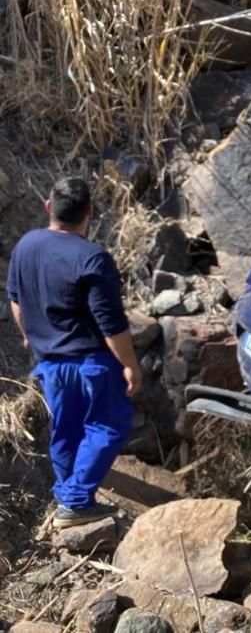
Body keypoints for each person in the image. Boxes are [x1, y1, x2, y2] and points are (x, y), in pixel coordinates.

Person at [7, 177, 142, 528]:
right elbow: (110, 323)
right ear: (90, 213)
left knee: (66, 431)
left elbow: (16, 300)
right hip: (91, 364)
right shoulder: (93, 258)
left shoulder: (26, 245)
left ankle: (68, 495)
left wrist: (28, 335)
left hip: (50, 364)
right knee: (107, 427)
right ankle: (76, 503)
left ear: (48, 207)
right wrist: (129, 365)